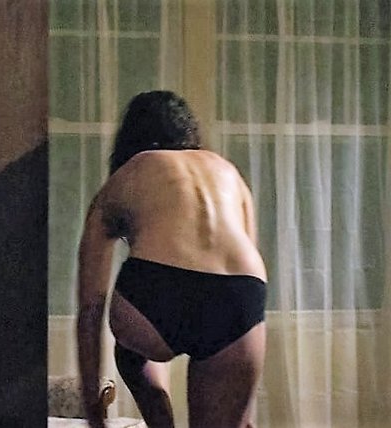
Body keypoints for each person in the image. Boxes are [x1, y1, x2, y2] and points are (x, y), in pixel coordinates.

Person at [77, 90, 267, 428]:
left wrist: (94, 411)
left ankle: (160, 422)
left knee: (130, 353)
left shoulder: (126, 175)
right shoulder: (227, 172)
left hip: (157, 295)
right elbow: (247, 266)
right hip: (239, 298)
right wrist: (241, 409)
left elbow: (91, 306)